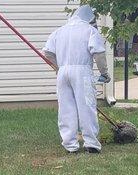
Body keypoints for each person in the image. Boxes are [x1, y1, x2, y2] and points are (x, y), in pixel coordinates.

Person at [43, 5, 111, 154]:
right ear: (89, 19)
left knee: (66, 108)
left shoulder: (59, 31)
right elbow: (99, 54)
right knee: (86, 106)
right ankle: (91, 144)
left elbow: (48, 52)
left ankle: (70, 145)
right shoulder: (90, 31)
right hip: (82, 72)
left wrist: (59, 67)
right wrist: (104, 73)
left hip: (63, 72)